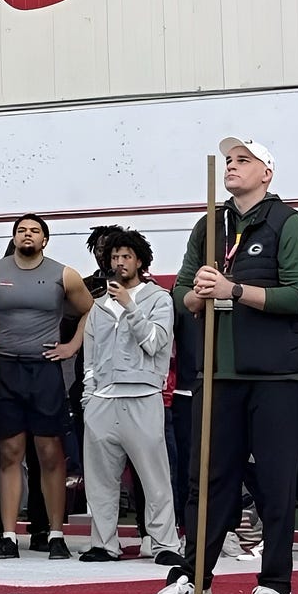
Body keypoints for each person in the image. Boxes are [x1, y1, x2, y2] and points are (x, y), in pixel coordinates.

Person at [143, 138, 298, 594]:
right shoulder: (210, 223)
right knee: (208, 480)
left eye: (245, 160)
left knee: (276, 481)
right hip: (216, 373)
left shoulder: (288, 222)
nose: (233, 167)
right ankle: (194, 578)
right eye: (230, 161)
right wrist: (196, 297)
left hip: (275, 375)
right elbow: (180, 291)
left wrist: (234, 289)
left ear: (267, 173)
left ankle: (276, 582)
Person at [0, 214, 93, 560]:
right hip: (8, 369)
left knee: (50, 454)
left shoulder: (64, 274)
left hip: (45, 372)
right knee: (10, 453)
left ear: (45, 240)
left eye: (35, 231)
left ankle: (55, 534)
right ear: (13, 237)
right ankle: (9, 535)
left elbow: (90, 310)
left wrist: (72, 346)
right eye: (22, 230)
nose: (28, 235)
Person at [76, 229, 182, 565]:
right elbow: (89, 360)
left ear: (140, 261)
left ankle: (165, 544)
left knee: (155, 476)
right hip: (102, 401)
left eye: (126, 256)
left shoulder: (159, 299)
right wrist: (89, 398)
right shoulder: (97, 308)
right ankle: (105, 544)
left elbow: (155, 343)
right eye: (114, 257)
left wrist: (130, 307)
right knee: (100, 480)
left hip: (143, 395)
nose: (119, 263)